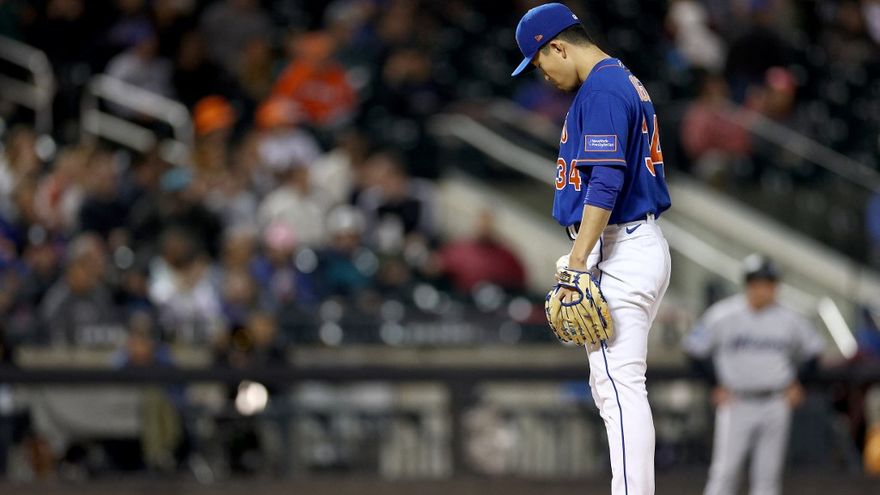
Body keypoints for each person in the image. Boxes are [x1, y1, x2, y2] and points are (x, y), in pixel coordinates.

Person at [510, 4, 672, 494]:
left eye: (540, 62)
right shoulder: (618, 80)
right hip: (629, 242)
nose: (543, 75)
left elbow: (605, 181)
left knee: (619, 389)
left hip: (619, 244)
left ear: (558, 47)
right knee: (615, 389)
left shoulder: (602, 88)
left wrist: (579, 261)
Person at [683, 255, 825, 495]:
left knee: (768, 478)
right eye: (757, 282)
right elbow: (693, 350)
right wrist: (714, 385)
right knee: (725, 473)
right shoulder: (723, 315)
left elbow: (814, 352)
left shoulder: (790, 318)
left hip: (776, 401)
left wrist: (799, 384)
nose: (762, 289)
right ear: (748, 284)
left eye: (768, 283)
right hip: (737, 401)